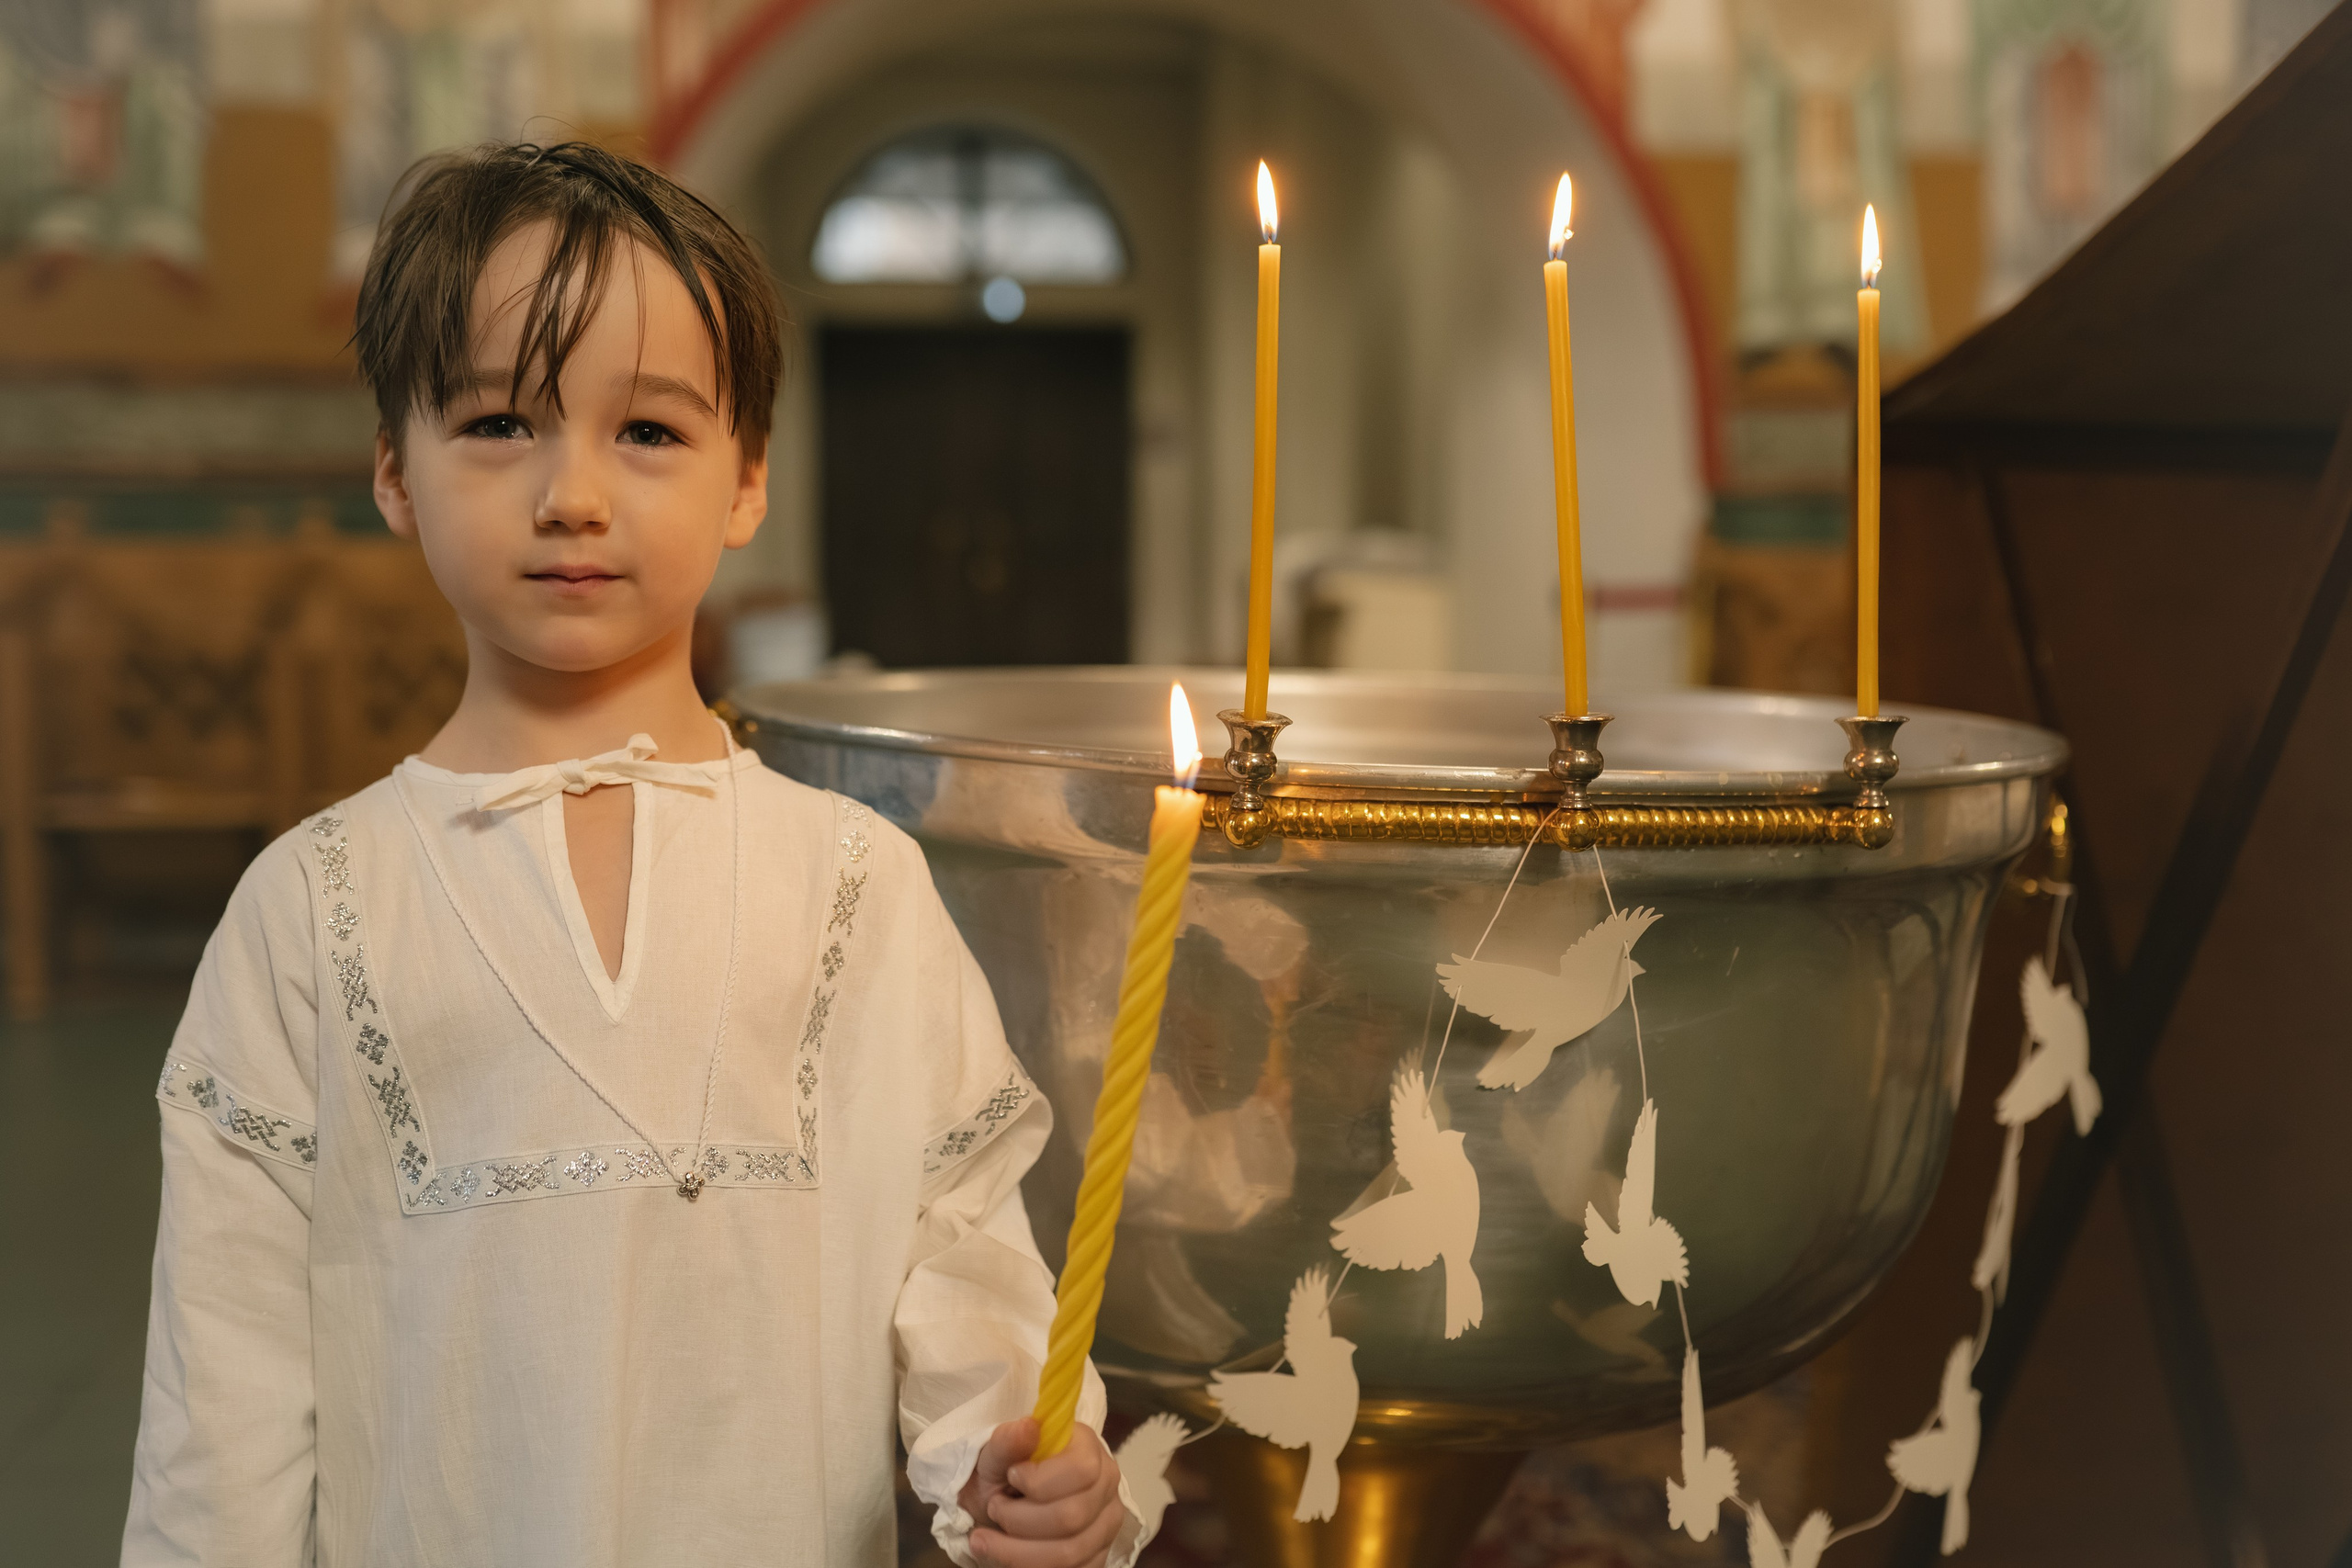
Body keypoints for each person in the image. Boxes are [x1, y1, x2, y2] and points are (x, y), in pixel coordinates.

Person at [122, 141, 1139, 1568]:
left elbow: (957, 1237)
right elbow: (220, 1397)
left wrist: (1011, 1445)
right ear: (394, 470)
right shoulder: (313, 907)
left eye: (649, 431)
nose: (574, 495)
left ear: (747, 479)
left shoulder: (854, 881)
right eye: (498, 422)